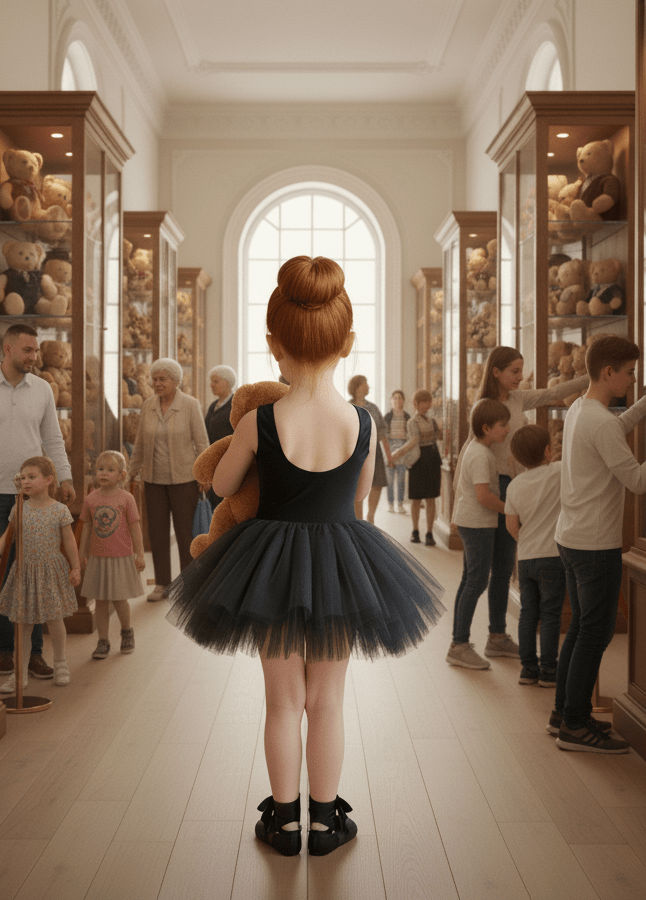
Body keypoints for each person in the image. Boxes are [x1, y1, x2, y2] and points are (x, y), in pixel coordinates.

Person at [165, 256, 445, 858]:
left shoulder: (260, 420)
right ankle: (325, 822)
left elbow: (221, 485)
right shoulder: (363, 423)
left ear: (274, 344)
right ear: (347, 342)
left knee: (283, 701)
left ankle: (283, 822)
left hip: (268, 563)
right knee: (328, 700)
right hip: (343, 562)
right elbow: (361, 494)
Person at [553, 335, 646, 753]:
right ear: (608, 372)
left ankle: (564, 714)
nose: (633, 378)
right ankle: (575, 725)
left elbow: (617, 426)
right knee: (595, 634)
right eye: (629, 373)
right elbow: (640, 480)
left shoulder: (581, 409)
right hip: (595, 545)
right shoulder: (600, 422)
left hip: (571, 537)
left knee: (581, 629)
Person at [0, 323, 75, 679]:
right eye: (28, 350)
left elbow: (53, 438)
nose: (34, 356)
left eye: (36, 350)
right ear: (7, 350)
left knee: (30, 572)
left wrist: (65, 477)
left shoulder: (43, 389)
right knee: (0, 573)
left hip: (34, 498)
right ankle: (4, 650)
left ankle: (34, 654)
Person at [471, 346, 589, 660]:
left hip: (520, 484)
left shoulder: (518, 399)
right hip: (500, 489)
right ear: (496, 372)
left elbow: (553, 393)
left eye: (521, 371)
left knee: (506, 566)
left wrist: (590, 376)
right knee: (496, 569)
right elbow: (474, 452)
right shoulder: (483, 407)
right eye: (514, 371)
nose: (520, 377)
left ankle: (498, 636)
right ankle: (489, 635)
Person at [0, 456, 80, 694]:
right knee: (23, 625)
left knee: (55, 619)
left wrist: (75, 567)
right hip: (25, 573)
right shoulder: (19, 508)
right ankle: (20, 673)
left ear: (48, 480)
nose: (26, 482)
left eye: (32, 477)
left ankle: (60, 663)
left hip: (51, 572)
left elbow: (69, 541)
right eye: (22, 478)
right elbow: (8, 535)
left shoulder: (59, 510)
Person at [126, 358, 209, 602]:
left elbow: (202, 443)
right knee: (157, 534)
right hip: (153, 480)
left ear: (175, 381)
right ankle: (162, 584)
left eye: (162, 379)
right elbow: (139, 443)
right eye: (154, 379)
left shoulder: (190, 405)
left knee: (185, 535)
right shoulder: (148, 405)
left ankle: (188, 585)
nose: (157, 383)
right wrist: (131, 472)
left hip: (184, 480)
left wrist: (206, 473)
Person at [446, 399, 510, 670]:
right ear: (486, 428)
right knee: (476, 582)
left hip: (473, 523)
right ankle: (459, 645)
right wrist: (510, 510)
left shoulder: (477, 449)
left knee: (470, 580)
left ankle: (459, 642)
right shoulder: (481, 454)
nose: (507, 430)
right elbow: (483, 496)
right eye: (502, 425)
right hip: (478, 525)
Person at [504, 424, 565, 688]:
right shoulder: (558, 472)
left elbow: (511, 525)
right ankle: (549, 670)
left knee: (528, 613)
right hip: (553, 556)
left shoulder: (514, 485)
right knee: (550, 614)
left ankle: (528, 669)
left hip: (526, 558)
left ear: (518, 458)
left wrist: (526, 542)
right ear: (548, 451)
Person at [79, 450, 145, 659]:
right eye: (100, 469)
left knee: (119, 599)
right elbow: (86, 527)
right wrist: (81, 554)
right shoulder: (91, 499)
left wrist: (140, 554)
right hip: (97, 557)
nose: (104, 473)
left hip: (121, 557)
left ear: (121, 475)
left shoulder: (126, 499)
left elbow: (135, 527)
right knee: (100, 601)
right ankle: (103, 641)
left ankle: (127, 632)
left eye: (110, 470)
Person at [390, 389, 442, 545]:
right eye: (423, 402)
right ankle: (415, 531)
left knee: (431, 497)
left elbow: (439, 436)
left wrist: (442, 426)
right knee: (416, 498)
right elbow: (414, 441)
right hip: (418, 460)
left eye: (428, 402)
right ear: (416, 404)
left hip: (433, 459)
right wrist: (397, 453)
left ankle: (429, 533)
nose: (426, 405)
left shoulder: (432, 420)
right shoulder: (412, 422)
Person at [347, 374, 392, 524]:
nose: (367, 386)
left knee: (378, 483)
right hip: (354, 450)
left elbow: (383, 431)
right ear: (356, 387)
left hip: (374, 449)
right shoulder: (347, 407)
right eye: (364, 384)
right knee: (357, 486)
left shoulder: (373, 408)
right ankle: (358, 520)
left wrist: (389, 456)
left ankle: (370, 516)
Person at [204, 365, 237, 509]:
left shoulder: (236, 404)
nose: (212, 385)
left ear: (227, 382)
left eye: (216, 381)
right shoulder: (213, 405)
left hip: (230, 463)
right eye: (211, 381)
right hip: (214, 463)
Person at [385, 390, 410, 514]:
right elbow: (383, 436)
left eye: (399, 398)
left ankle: (400, 504)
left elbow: (410, 435)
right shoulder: (387, 417)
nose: (397, 400)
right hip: (390, 447)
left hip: (403, 449)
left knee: (401, 479)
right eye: (394, 398)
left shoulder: (407, 417)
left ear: (403, 401)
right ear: (391, 400)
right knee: (389, 479)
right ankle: (390, 504)